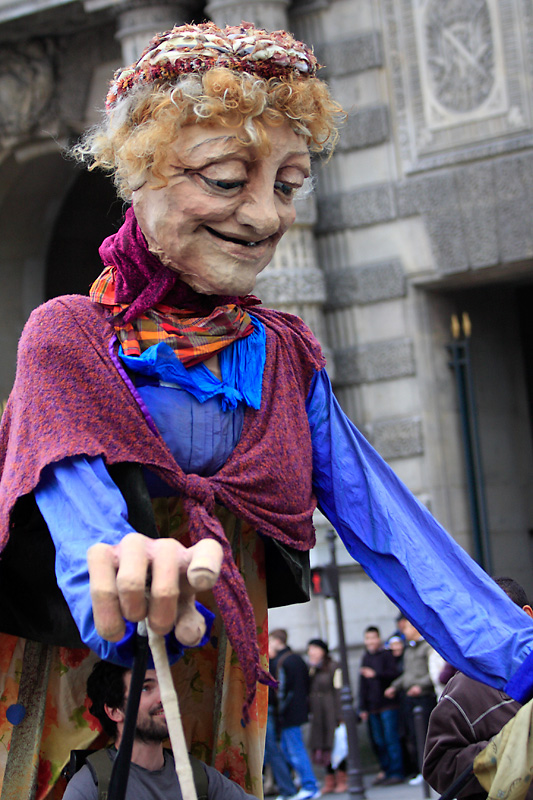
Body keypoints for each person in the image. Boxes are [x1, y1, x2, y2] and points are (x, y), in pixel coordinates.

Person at [2, 18, 533, 798]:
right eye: (224, 179)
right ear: (141, 173)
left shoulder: (282, 353)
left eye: (287, 186)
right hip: (83, 680)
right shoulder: (68, 334)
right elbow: (74, 496)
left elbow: (386, 524)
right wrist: (110, 569)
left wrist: (515, 653)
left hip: (223, 667)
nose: (266, 218)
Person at [64, 659, 257, 800]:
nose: (165, 697)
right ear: (115, 711)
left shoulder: (198, 777)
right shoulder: (91, 786)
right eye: (146, 688)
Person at [423, 577, 533, 800]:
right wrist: (500, 750)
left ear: (527, 615)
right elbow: (438, 767)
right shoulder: (465, 688)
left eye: (499, 617)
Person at [269, 630, 320, 800]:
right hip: (297, 711)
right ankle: (306, 784)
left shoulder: (282, 661)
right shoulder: (296, 658)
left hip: (288, 714)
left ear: (277, 641)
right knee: (291, 749)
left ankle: (309, 785)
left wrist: (280, 711)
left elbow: (281, 691)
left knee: (295, 750)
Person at [384, 620, 436, 785]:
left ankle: (430, 771)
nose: (404, 632)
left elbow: (433, 673)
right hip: (409, 697)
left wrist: (420, 687)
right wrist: (394, 686)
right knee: (413, 735)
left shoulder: (427, 646)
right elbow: (408, 675)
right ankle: (421, 769)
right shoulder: (409, 649)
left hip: (424, 697)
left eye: (406, 628)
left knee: (426, 734)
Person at [358, 626, 403, 786]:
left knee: (391, 739)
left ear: (378, 639)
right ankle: (386, 770)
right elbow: (362, 685)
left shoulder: (386, 655)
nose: (370, 641)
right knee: (378, 741)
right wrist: (362, 707)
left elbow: (395, 674)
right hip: (372, 706)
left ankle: (396, 771)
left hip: (387, 704)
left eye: (373, 638)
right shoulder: (365, 658)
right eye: (367, 638)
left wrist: (376, 675)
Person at [306, 639, 345, 794]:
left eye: (315, 648)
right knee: (321, 746)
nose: (312, 652)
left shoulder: (333, 666)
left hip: (331, 710)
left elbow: (339, 689)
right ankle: (329, 778)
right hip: (317, 712)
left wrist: (340, 714)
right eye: (310, 649)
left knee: (335, 743)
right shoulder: (311, 668)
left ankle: (342, 777)